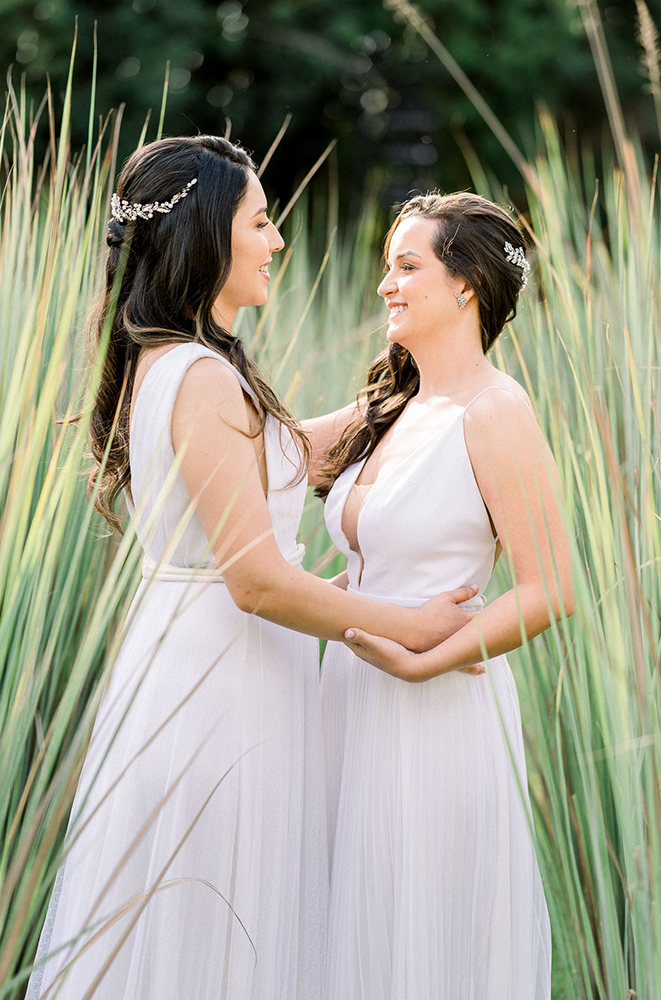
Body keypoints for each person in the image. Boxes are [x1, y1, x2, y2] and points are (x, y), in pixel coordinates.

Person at [26, 138, 479, 1000]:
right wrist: (405, 621)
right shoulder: (198, 375)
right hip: (217, 686)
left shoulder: (180, 361)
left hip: (206, 663)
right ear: (205, 235)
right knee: (218, 932)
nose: (275, 242)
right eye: (260, 222)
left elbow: (282, 462)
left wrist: (410, 387)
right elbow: (257, 580)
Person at [309, 192, 574, 999]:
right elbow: (262, 448)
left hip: (436, 713)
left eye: (406, 266)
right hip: (350, 705)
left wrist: (430, 663)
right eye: (388, 266)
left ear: (467, 286)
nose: (386, 284)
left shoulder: (497, 410)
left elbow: (551, 587)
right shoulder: (389, 408)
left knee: (425, 945)